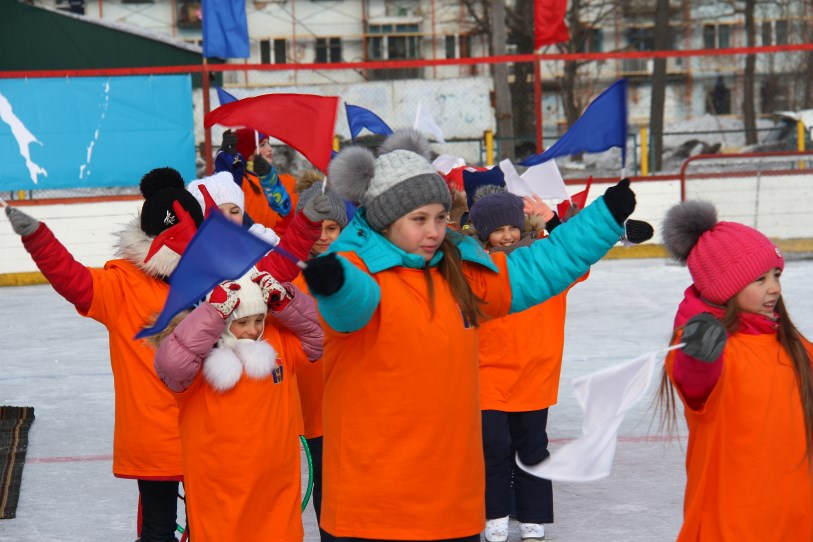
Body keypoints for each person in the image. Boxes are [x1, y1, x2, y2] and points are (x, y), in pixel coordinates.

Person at [299, 128, 637, 541]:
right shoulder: (357, 268)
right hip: (372, 506)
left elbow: (535, 269)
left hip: (452, 504)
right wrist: (333, 283)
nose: (434, 231)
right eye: (419, 220)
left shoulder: (460, 273)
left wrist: (602, 219)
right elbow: (351, 303)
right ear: (385, 221)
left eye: (440, 217)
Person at [5, 168, 205, 542]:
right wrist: (38, 238)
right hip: (161, 435)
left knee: (207, 527)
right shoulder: (124, 285)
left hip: (211, 430)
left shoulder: (219, 277)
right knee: (160, 529)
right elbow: (73, 280)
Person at [659, 200, 813, 541]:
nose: (774, 287)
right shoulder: (706, 348)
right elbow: (694, 382)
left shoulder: (794, 347)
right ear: (723, 288)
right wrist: (699, 355)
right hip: (730, 523)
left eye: (776, 275)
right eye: (759, 279)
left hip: (795, 519)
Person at [153, 267, 322, 541]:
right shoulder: (200, 362)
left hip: (275, 488)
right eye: (242, 322)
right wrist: (211, 313)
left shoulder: (277, 343)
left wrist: (287, 302)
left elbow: (317, 336)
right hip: (218, 491)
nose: (253, 331)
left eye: (259, 320)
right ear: (223, 320)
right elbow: (171, 365)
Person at [467, 188, 584, 542]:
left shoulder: (544, 260)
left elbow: (577, 257)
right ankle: (495, 513)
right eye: (497, 229)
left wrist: (554, 221)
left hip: (534, 374)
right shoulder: (475, 267)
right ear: (484, 233)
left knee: (532, 448)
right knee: (493, 448)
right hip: (487, 375)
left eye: (512, 227)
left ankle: (532, 516)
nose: (507, 235)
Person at [290, 170, 349, 525]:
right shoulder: (291, 275)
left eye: (332, 229)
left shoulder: (359, 271)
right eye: (318, 228)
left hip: (351, 393)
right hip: (312, 400)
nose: (324, 237)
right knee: (326, 480)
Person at [215, 128, 300, 235]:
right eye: (262, 145)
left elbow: (294, 215)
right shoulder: (241, 181)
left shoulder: (288, 181)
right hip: (251, 243)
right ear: (248, 153)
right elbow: (222, 188)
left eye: (268, 143)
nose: (269, 149)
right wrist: (226, 161)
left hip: (283, 245)